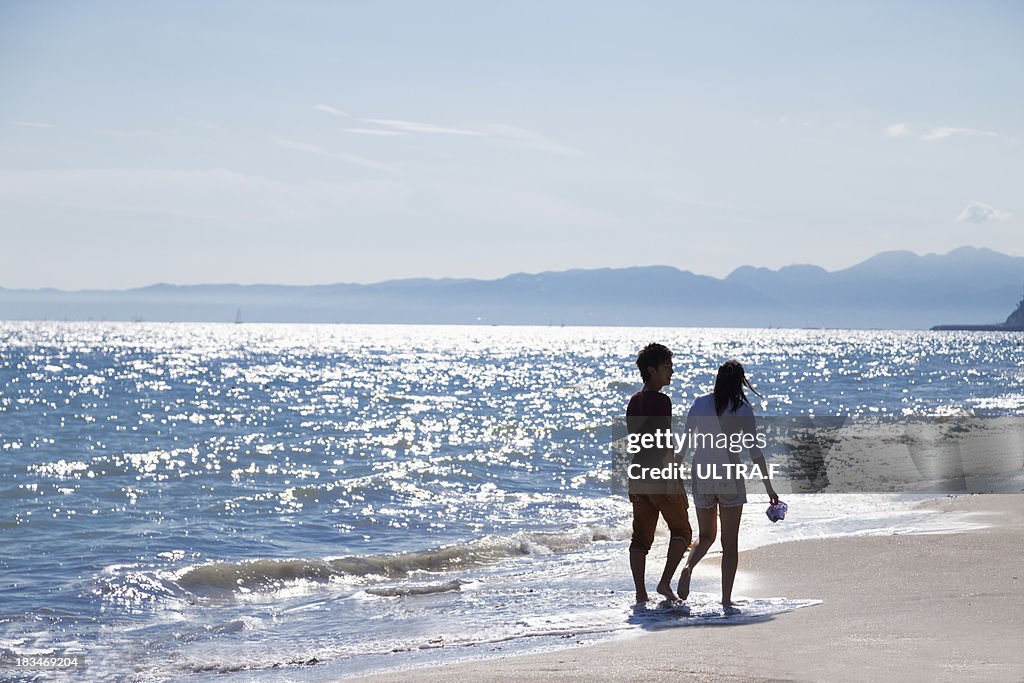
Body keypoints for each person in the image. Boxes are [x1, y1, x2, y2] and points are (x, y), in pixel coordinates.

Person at [677, 360, 778, 611]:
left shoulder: (699, 403)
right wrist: (769, 488)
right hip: (729, 476)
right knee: (729, 544)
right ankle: (725, 599)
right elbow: (754, 451)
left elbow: (685, 445)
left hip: (701, 474)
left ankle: (688, 567)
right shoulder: (742, 409)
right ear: (741, 382)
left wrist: (670, 473)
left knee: (705, 536)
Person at [625, 343, 692, 604]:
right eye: (666, 367)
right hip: (660, 475)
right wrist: (674, 475)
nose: (671, 371)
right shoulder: (662, 401)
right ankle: (664, 583)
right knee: (682, 532)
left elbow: (635, 442)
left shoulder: (633, 401)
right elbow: (664, 442)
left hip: (639, 475)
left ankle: (640, 594)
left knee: (640, 540)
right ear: (651, 370)